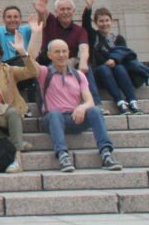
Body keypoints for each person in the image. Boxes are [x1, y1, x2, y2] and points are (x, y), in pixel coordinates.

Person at [0, 5, 43, 173]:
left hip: (11, 118)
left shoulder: (9, 70)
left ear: (0, 54)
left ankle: (16, 157)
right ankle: (16, 142)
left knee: (11, 112)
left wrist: (22, 53)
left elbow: (33, 72)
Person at [39, 39, 122, 173]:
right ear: (49, 55)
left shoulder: (79, 75)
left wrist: (82, 107)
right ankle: (62, 155)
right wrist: (36, 34)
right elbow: (30, 63)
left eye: (64, 51)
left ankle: (106, 153)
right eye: (57, 52)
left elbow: (89, 101)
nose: (61, 55)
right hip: (54, 120)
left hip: (75, 117)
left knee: (95, 111)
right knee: (54, 114)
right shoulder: (44, 73)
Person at [36, 0, 103, 107]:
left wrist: (84, 62)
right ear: (56, 12)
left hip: (69, 64)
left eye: (68, 9)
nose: (65, 12)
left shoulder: (80, 30)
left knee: (86, 68)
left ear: (73, 11)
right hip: (48, 63)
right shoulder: (50, 22)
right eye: (62, 9)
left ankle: (96, 104)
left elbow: (84, 49)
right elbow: (42, 6)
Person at [81, 0, 149, 114]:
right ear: (96, 23)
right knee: (104, 69)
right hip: (100, 73)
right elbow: (85, 23)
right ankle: (120, 102)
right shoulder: (93, 36)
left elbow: (124, 54)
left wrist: (114, 60)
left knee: (119, 68)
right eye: (101, 21)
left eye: (107, 20)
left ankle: (133, 102)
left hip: (118, 72)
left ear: (111, 21)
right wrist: (88, 7)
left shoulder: (119, 38)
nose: (104, 24)